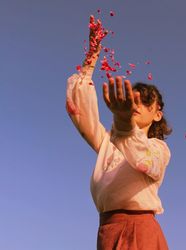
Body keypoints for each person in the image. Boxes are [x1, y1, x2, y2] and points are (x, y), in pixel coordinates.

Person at [66, 15, 173, 250]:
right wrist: (91, 60)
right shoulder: (109, 143)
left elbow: (146, 162)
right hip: (107, 231)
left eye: (146, 101)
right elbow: (80, 114)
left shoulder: (159, 150)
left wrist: (124, 126)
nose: (137, 105)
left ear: (157, 114)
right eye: (133, 99)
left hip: (139, 231)